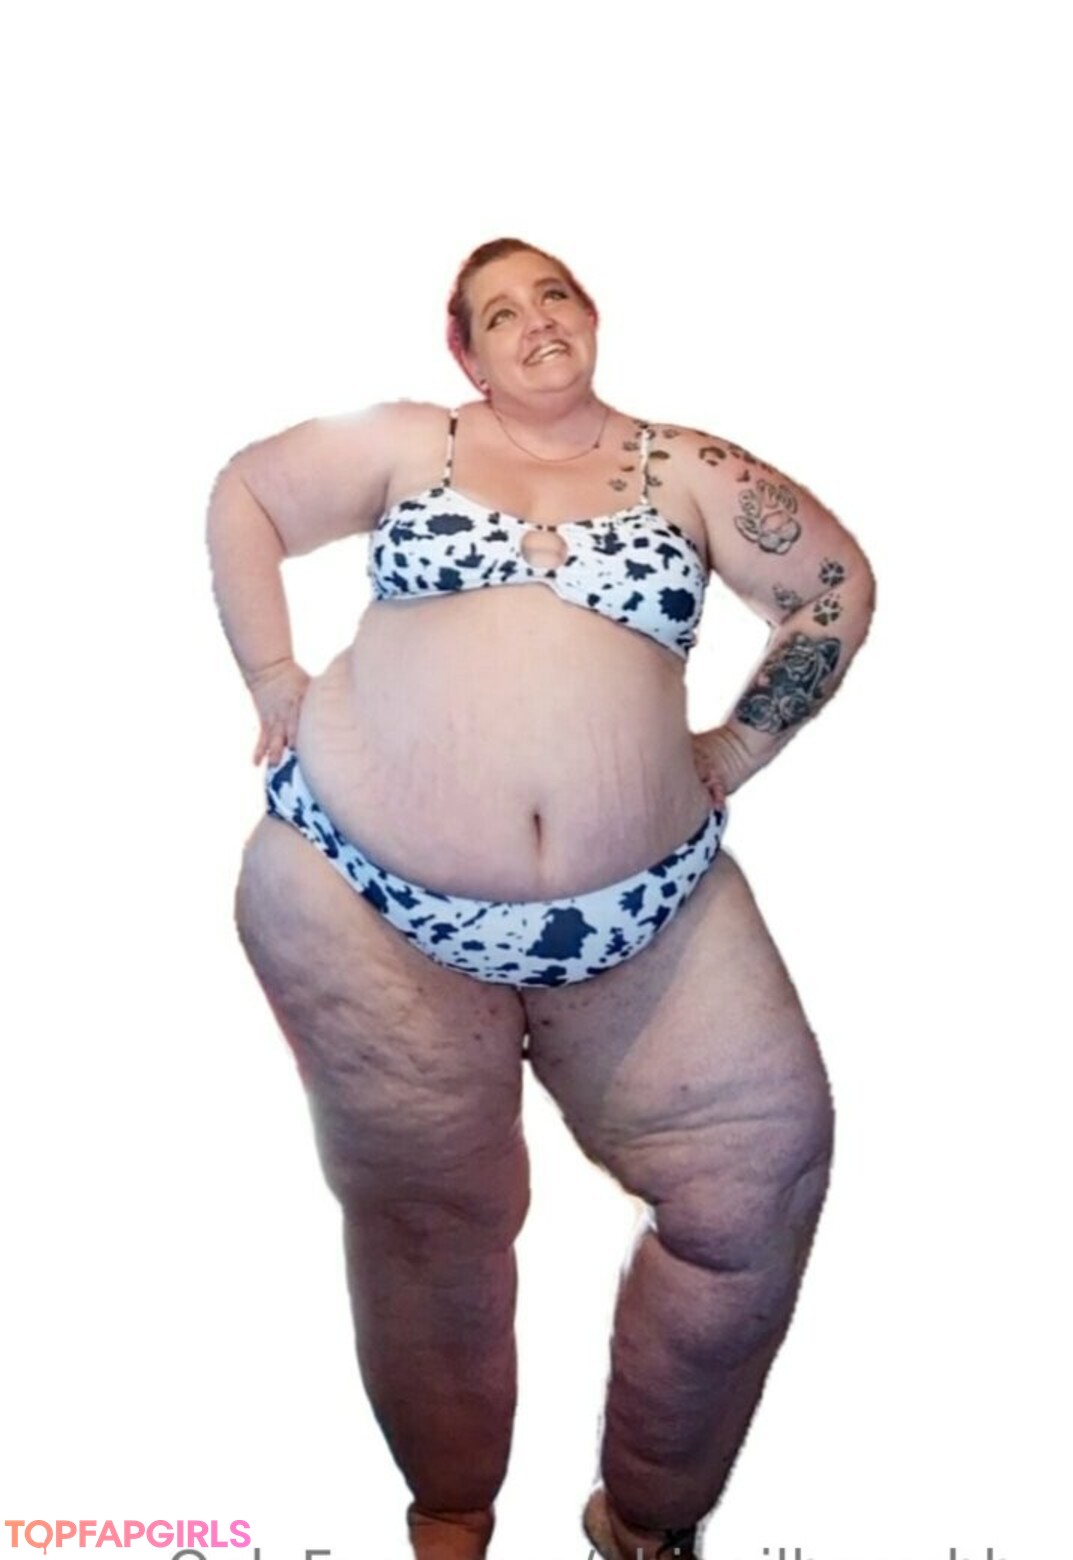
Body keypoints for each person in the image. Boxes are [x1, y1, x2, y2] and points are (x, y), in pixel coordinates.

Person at [206, 237, 875, 1559]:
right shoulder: (418, 441)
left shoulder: (687, 467)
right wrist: (273, 678)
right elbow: (247, 494)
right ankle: (451, 1511)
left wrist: (738, 750)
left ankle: (649, 1519)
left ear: (592, 313)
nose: (534, 322)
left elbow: (833, 592)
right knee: (432, 1218)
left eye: (553, 294)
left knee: (759, 1180)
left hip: (646, 912)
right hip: (368, 903)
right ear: (466, 352)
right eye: (499, 313)